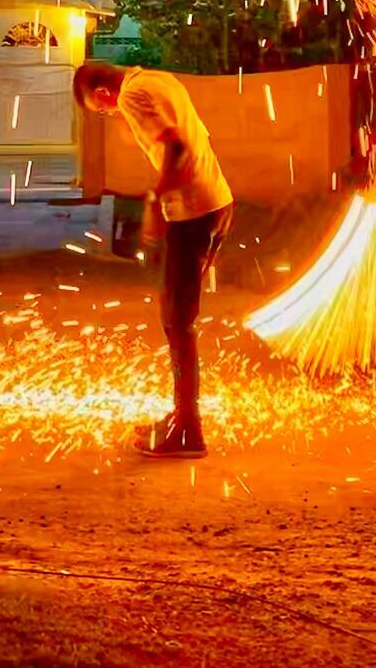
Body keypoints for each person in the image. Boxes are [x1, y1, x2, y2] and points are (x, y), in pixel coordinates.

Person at [73, 61, 235, 459]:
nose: (113, 114)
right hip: (219, 203)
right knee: (180, 320)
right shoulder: (158, 78)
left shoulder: (132, 94)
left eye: (104, 111)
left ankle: (188, 433)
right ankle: (182, 418)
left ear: (103, 94)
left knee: (177, 323)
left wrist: (154, 198)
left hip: (193, 212)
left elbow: (177, 148)